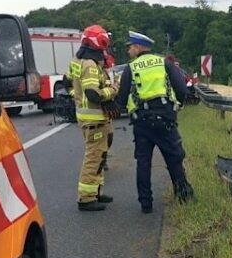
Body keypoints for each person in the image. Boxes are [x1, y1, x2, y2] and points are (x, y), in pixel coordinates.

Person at [115, 31, 194, 213]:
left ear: (138, 47)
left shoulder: (131, 68)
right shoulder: (164, 62)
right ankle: (183, 194)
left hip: (142, 123)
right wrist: (178, 105)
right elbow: (182, 89)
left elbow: (121, 99)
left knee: (143, 162)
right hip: (165, 120)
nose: (128, 51)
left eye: (130, 47)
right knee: (174, 158)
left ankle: (146, 204)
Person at [69, 24, 116, 211]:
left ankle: (96, 192)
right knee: (94, 157)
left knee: (100, 154)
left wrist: (76, 97)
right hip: (94, 120)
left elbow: (69, 84)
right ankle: (86, 198)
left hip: (93, 119)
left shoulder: (78, 61)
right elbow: (93, 94)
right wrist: (112, 91)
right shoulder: (89, 64)